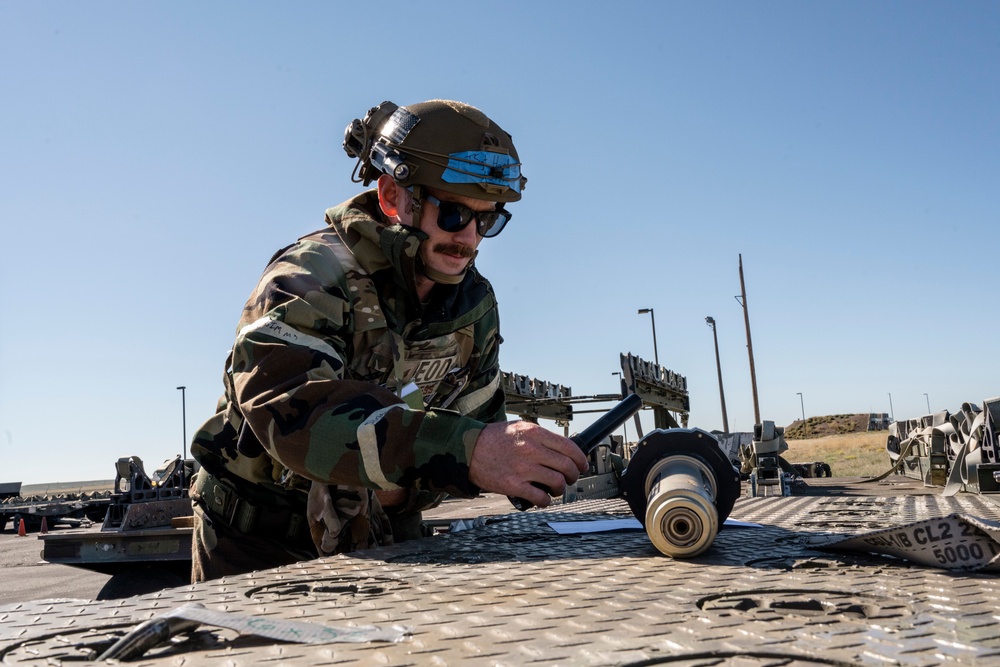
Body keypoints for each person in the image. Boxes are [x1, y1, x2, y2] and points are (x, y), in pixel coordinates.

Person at [189, 99, 589, 582]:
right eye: (453, 213)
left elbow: (477, 429)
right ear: (392, 196)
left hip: (389, 541)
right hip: (259, 546)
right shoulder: (310, 274)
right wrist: (464, 451)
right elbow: (289, 416)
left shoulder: (473, 303)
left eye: (488, 220)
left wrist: (512, 461)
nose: (469, 238)